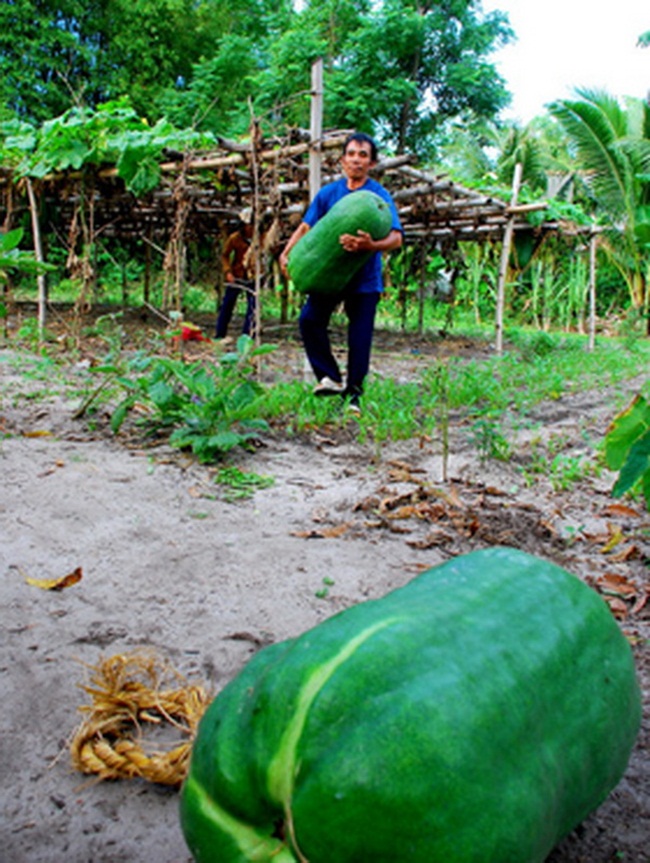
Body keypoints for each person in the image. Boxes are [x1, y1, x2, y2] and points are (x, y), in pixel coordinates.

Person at [279, 132, 403, 412]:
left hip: (365, 280)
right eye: (352, 154)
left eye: (363, 155)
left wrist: (370, 245)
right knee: (310, 320)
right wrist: (286, 252)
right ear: (342, 160)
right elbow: (306, 227)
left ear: (371, 163)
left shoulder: (379, 197)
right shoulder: (329, 194)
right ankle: (330, 377)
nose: (356, 160)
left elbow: (396, 238)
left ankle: (354, 397)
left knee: (359, 338)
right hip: (330, 276)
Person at [216, 208, 256, 339]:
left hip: (253, 276)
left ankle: (247, 336)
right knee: (227, 304)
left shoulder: (260, 238)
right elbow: (225, 255)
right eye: (248, 225)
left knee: (253, 307)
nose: (250, 228)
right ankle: (220, 334)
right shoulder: (235, 238)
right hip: (237, 275)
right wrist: (228, 272)